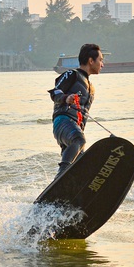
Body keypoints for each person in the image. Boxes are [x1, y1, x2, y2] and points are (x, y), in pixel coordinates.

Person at [48, 43, 104, 178]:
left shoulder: (91, 87)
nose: (102, 64)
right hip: (63, 122)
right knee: (79, 140)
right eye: (100, 60)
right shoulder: (71, 74)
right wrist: (66, 98)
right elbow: (55, 92)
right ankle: (61, 177)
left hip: (75, 127)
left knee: (81, 166)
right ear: (91, 61)